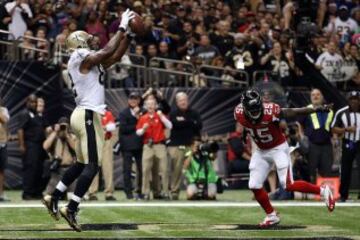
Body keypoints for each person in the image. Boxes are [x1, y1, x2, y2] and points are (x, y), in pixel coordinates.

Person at [42, 9, 135, 232]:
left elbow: (114, 56)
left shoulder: (88, 63)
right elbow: (107, 50)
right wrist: (121, 26)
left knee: (82, 164)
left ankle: (54, 197)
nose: (91, 39)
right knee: (93, 166)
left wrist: (128, 35)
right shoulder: (78, 57)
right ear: (79, 43)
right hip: (87, 115)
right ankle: (71, 207)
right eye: (87, 38)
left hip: (83, 115)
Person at [234, 89, 335, 227]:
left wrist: (316, 109)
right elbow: (247, 125)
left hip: (278, 148)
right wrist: (246, 133)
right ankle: (271, 216)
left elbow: (295, 111)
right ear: (245, 109)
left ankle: (323, 191)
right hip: (261, 150)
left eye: (258, 109)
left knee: (288, 185)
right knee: (254, 185)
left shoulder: (271, 110)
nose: (256, 113)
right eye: (252, 111)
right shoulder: (239, 113)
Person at [136, 98, 172, 200]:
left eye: (152, 104)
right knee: (146, 169)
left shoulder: (160, 116)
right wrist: (143, 129)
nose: (151, 106)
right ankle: (145, 192)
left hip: (160, 145)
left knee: (164, 169)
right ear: (146, 106)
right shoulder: (143, 118)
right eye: (148, 104)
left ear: (156, 106)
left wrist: (161, 116)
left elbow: (170, 125)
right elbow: (138, 132)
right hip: (148, 146)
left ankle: (165, 191)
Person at [168, 92, 202, 200]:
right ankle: (174, 191)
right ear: (177, 102)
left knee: (195, 168)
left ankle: (197, 190)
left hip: (192, 145)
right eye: (180, 100)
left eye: (185, 100)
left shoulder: (195, 113)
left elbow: (199, 125)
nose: (183, 102)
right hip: (177, 145)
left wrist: (184, 122)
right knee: (177, 169)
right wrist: (190, 122)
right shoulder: (173, 113)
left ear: (188, 100)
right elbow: (175, 125)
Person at [298, 89, 334, 183]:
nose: (315, 96)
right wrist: (302, 137)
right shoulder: (306, 109)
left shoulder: (329, 111)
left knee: (326, 170)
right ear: (310, 97)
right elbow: (299, 124)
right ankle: (313, 191)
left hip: (326, 145)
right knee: (311, 170)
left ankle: (326, 191)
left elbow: (332, 127)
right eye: (313, 95)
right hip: (312, 144)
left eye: (318, 94)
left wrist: (334, 140)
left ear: (322, 97)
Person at [331, 91, 360, 202]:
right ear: (348, 101)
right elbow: (333, 127)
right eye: (352, 99)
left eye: (356, 99)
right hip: (348, 142)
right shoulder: (342, 112)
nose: (354, 102)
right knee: (346, 168)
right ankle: (343, 195)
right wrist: (346, 129)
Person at [18, 94, 47, 200]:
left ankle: (36, 192)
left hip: (40, 146)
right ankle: (27, 192)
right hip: (30, 144)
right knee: (30, 168)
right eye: (32, 102)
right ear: (27, 102)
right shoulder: (25, 114)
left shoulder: (38, 115)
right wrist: (21, 145)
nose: (34, 104)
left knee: (39, 169)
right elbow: (20, 130)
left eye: (35, 102)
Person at [118, 92, 143, 200]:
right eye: (131, 99)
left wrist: (138, 118)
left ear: (138, 101)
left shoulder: (143, 111)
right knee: (127, 170)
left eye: (135, 99)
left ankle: (140, 190)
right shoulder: (123, 113)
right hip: (127, 146)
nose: (133, 101)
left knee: (141, 169)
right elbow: (123, 129)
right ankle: (128, 192)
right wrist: (137, 121)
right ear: (128, 100)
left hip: (140, 145)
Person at [43, 117, 76, 197]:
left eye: (65, 127)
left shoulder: (72, 137)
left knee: (71, 196)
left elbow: (75, 148)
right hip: (57, 170)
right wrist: (55, 131)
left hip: (70, 169)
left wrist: (67, 136)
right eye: (62, 126)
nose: (63, 128)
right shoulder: (54, 136)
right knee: (48, 196)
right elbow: (45, 146)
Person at [88, 109, 116, 201]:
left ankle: (109, 193)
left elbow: (112, 126)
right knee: (93, 167)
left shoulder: (107, 113)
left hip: (106, 142)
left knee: (108, 167)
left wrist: (102, 127)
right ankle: (92, 193)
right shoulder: (91, 113)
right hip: (94, 142)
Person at [0, 98, 10, 201]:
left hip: (2, 143)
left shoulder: (4, 110)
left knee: (1, 170)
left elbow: (5, 120)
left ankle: (1, 194)